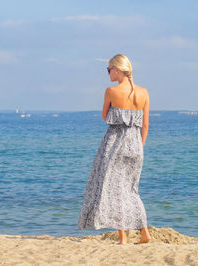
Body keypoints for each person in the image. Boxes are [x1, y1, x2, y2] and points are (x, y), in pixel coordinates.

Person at [78, 54, 151, 245]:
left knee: (114, 190)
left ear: (117, 70)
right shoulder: (143, 92)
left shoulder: (111, 91)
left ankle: (123, 237)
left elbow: (104, 116)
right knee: (131, 190)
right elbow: (145, 126)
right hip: (135, 145)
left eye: (109, 69)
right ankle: (144, 232)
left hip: (115, 145)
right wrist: (139, 146)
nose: (108, 73)